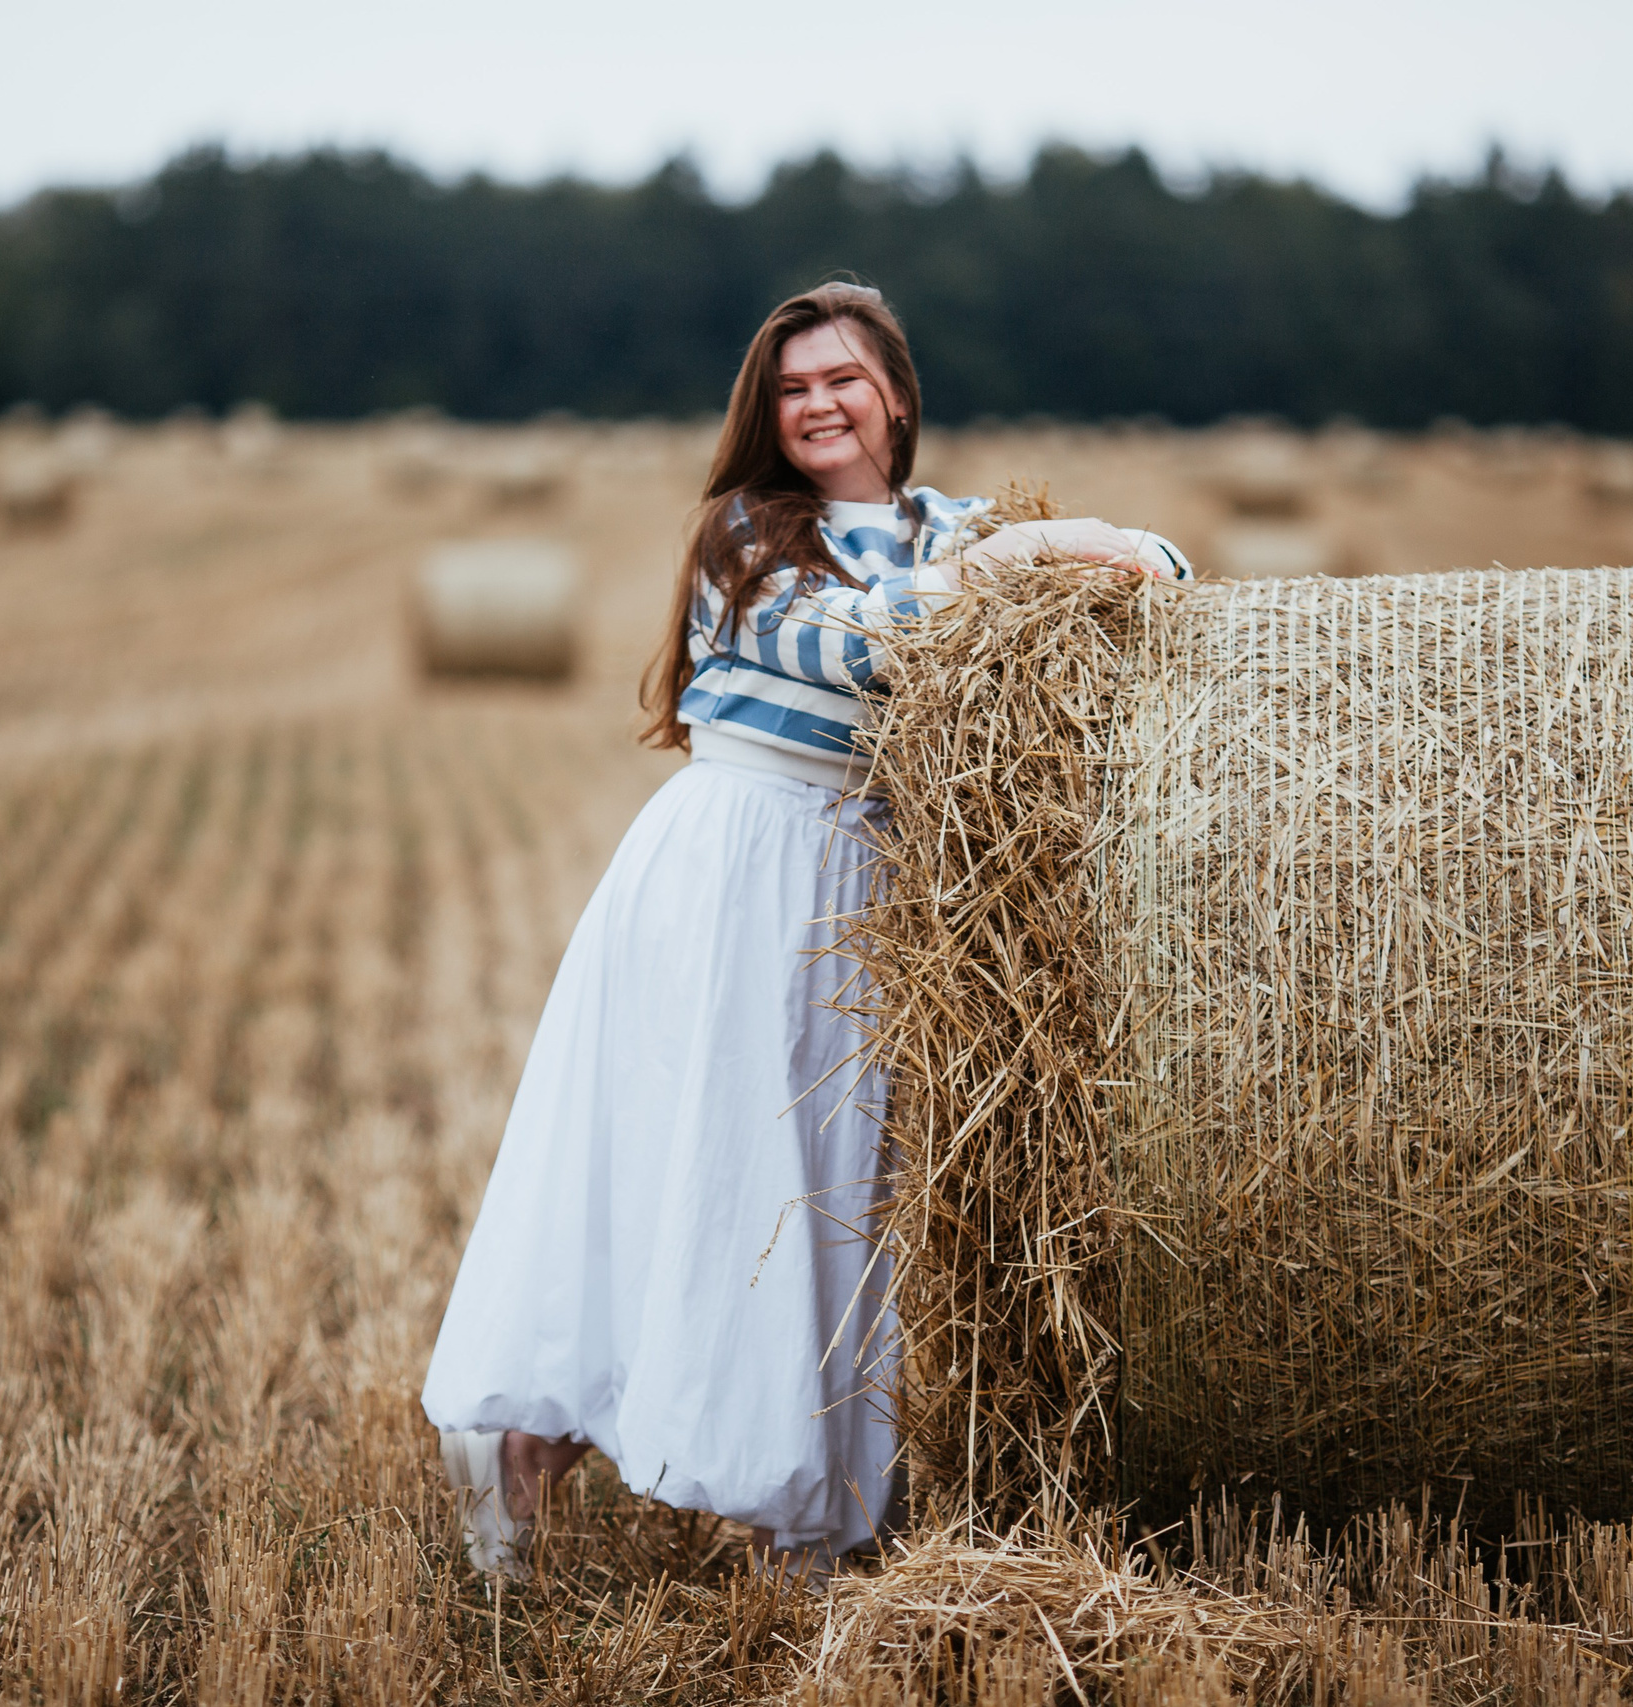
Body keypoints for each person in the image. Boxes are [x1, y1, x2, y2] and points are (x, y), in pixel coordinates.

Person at [422, 280, 1188, 1578]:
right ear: (765, 415)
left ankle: (807, 1506)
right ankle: (534, 1442)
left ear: (896, 390)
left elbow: (1161, 577)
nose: (819, 405)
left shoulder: (955, 526)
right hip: (736, 863)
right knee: (695, 1166)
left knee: (835, 1193)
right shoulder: (746, 534)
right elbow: (862, 650)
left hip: (872, 892)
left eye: (842, 379)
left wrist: (1098, 539)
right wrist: (1012, 567)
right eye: (793, 389)